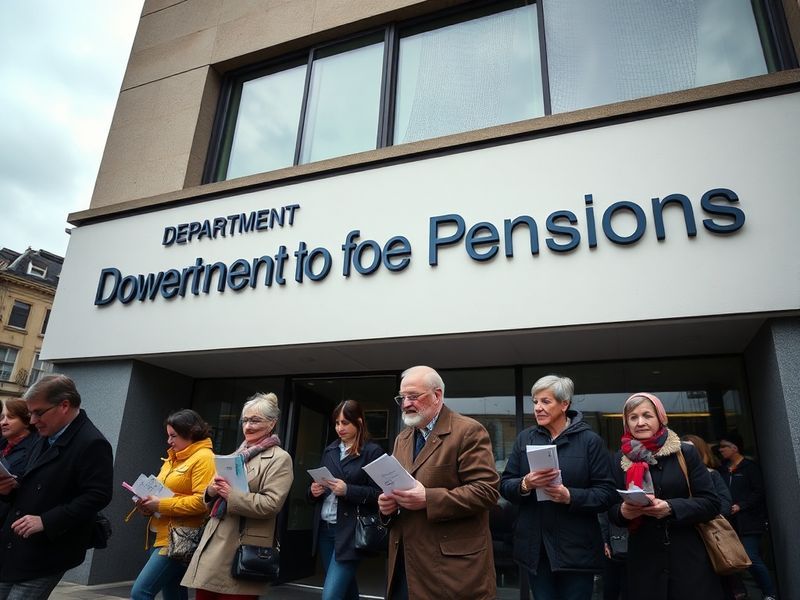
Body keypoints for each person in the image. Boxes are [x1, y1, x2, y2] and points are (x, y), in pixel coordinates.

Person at [378, 365, 500, 600]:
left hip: (451, 571)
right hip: (405, 564)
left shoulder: (468, 431)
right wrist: (387, 506)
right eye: (402, 398)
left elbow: (487, 491)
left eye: (413, 396)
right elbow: (396, 487)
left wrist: (428, 499)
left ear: (437, 396)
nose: (406, 404)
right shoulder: (402, 438)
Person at [500, 375, 616, 600]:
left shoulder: (590, 441)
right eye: (535, 402)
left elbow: (607, 493)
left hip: (577, 549)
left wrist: (570, 496)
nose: (538, 408)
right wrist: (525, 484)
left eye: (545, 401)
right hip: (536, 549)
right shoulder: (525, 438)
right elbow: (505, 485)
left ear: (565, 404)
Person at [0, 374, 113, 600]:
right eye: (31, 413)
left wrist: (46, 521)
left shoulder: (92, 442)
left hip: (47, 551)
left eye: (38, 412)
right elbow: (33, 481)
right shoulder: (45, 434)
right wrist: (9, 489)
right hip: (15, 546)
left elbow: (98, 495)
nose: (32, 420)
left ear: (64, 405)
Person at [609, 392, 723, 600]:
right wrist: (623, 512)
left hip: (688, 557)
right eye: (633, 417)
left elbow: (712, 503)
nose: (640, 422)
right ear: (626, 423)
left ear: (660, 418)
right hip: (644, 561)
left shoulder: (685, 452)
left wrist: (671, 508)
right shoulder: (619, 458)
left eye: (647, 415)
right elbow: (611, 509)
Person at [182, 392, 293, 600]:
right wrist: (212, 491)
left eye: (255, 420)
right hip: (214, 544)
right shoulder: (236, 455)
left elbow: (271, 504)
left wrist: (231, 496)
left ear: (272, 423)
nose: (248, 426)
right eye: (246, 420)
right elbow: (210, 495)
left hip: (243, 546)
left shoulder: (280, 459)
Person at [130, 409, 216, 600]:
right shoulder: (173, 457)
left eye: (173, 436)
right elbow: (160, 493)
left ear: (191, 433)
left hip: (180, 538)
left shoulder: (204, 458)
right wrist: (146, 506)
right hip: (162, 534)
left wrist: (159, 505)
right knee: (173, 595)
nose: (169, 441)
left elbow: (202, 502)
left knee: (140, 592)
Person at [308, 399, 384, 600]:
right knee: (347, 590)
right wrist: (314, 491)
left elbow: (381, 494)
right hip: (325, 528)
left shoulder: (372, 452)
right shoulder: (330, 450)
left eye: (345, 423)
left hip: (350, 531)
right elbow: (322, 486)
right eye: (336, 423)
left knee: (331, 595)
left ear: (358, 422)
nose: (339, 428)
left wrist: (348, 490)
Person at [718, 431, 776, 600]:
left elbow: (759, 492)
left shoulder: (749, 467)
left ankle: (769, 593)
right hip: (730, 522)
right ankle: (741, 592)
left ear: (734, 448)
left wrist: (741, 506)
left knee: (751, 557)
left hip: (749, 521)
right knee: (730, 558)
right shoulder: (722, 469)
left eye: (724, 446)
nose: (720, 450)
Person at [0, 399, 38, 476]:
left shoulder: (35, 448)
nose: (3, 422)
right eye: (2, 417)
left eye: (10, 417)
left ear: (26, 422)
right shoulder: (3, 442)